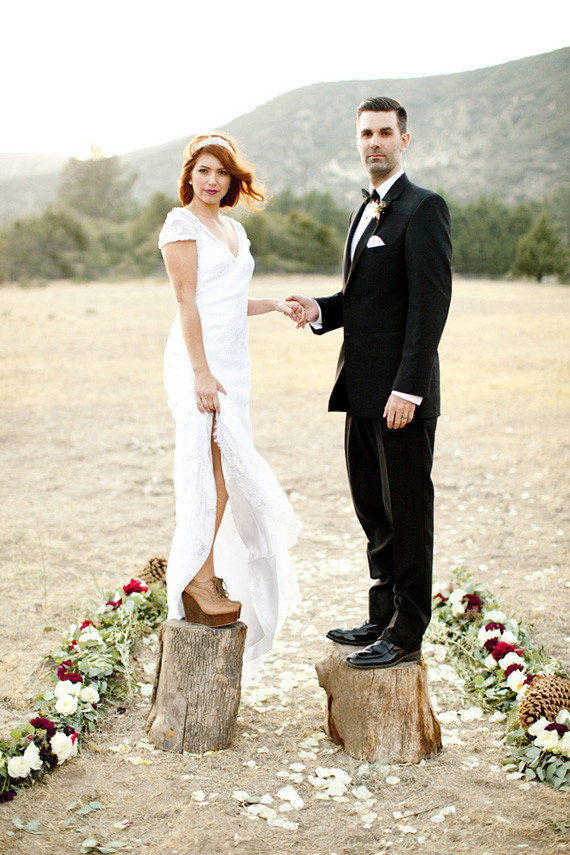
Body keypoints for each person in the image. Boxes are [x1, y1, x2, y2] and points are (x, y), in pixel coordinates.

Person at [287, 97, 452, 669]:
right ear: (358, 142)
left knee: (407, 512)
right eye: (366, 134)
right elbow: (365, 299)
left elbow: (429, 306)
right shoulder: (365, 209)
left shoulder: (424, 208)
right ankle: (381, 614)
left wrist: (409, 389)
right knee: (373, 509)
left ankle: (407, 632)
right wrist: (320, 308)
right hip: (359, 389)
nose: (374, 142)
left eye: (385, 132)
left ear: (404, 140)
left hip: (400, 397)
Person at [159, 132, 303, 676]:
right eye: (203, 170)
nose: (212, 180)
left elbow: (227, 300)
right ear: (190, 176)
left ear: (232, 179)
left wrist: (275, 304)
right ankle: (198, 578)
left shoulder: (234, 229)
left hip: (234, 367)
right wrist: (200, 372)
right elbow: (187, 302)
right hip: (199, 364)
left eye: (222, 172)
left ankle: (204, 574)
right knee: (207, 476)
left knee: (225, 478)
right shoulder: (181, 225)